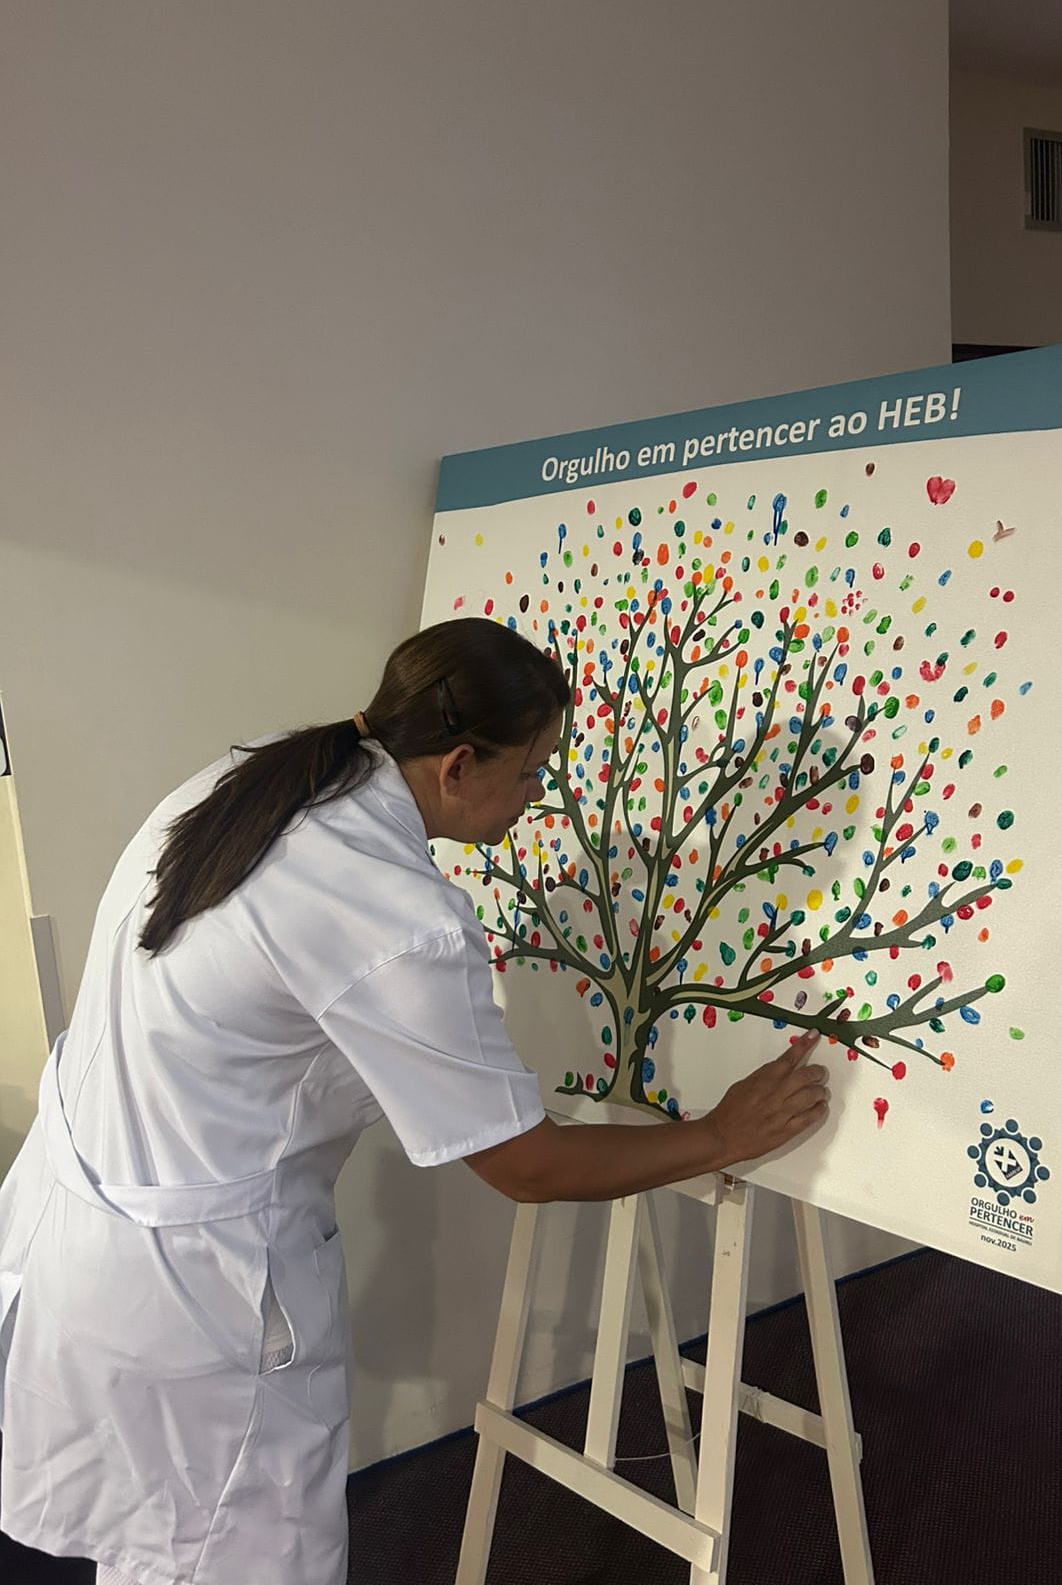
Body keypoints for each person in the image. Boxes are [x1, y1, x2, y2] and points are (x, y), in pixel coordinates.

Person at [0, 617, 830, 1585]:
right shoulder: (396, 916)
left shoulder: (250, 775)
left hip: (75, 1219)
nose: (539, 795)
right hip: (190, 1290)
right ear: (458, 765)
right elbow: (527, 1165)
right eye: (533, 771)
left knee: (99, 1525)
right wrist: (720, 1134)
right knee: (214, 1549)